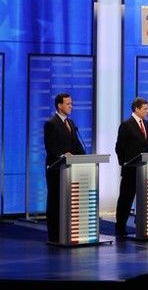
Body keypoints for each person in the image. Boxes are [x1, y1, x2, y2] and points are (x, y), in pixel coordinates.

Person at [43, 93, 85, 243]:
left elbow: (77, 145)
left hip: (70, 170)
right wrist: (62, 155)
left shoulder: (71, 123)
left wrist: (85, 157)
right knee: (55, 202)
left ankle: (67, 232)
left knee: (68, 202)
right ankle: (54, 236)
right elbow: (50, 147)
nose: (70, 106)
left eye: (71, 104)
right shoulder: (51, 123)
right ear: (59, 105)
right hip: (56, 169)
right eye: (68, 104)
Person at [114, 97, 148, 237]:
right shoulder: (126, 125)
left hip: (143, 169)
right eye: (145, 109)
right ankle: (120, 226)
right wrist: (124, 163)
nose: (147, 111)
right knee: (126, 199)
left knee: (143, 198)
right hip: (130, 169)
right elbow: (119, 147)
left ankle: (140, 223)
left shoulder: (145, 124)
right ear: (137, 109)